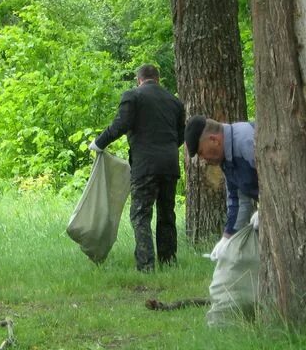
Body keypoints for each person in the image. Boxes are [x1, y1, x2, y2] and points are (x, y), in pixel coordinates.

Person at [90, 64, 185, 271]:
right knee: (167, 214)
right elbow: (181, 134)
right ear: (158, 79)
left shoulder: (133, 96)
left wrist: (98, 143)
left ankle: (146, 265)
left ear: (138, 80)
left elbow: (120, 125)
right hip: (169, 165)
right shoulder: (174, 101)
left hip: (144, 166)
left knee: (141, 215)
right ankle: (169, 261)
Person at [184, 116, 258, 238]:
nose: (203, 159)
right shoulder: (227, 159)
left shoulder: (247, 142)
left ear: (214, 140)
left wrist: (266, 208)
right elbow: (238, 201)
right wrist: (227, 238)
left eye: (201, 152)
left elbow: (279, 180)